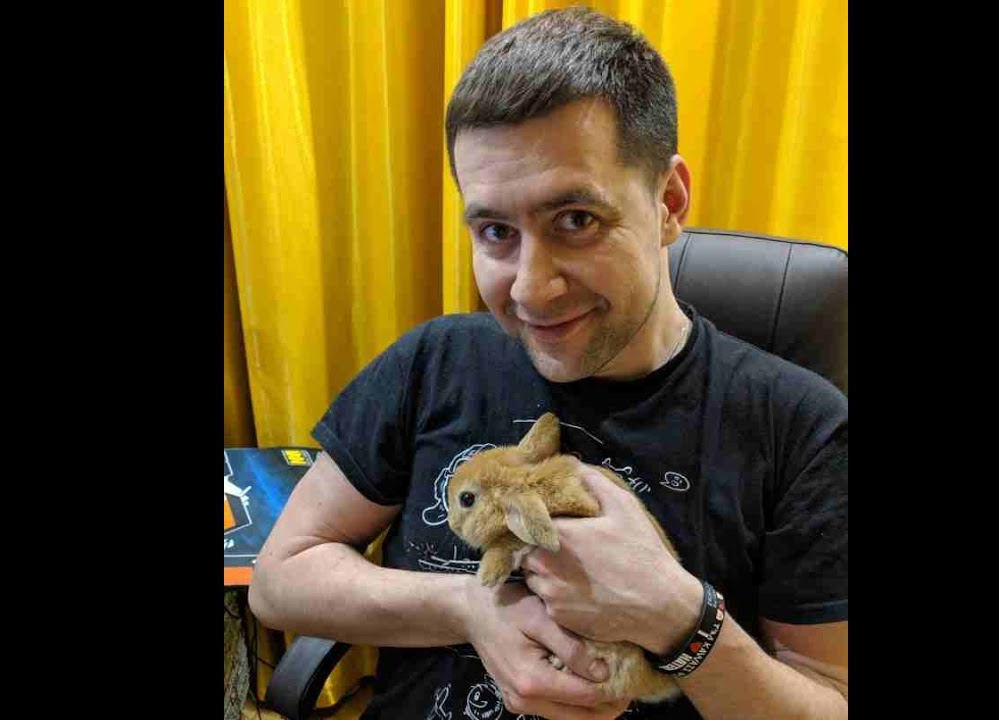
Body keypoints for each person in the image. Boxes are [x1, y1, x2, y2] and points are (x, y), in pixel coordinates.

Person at [249, 7, 847, 719]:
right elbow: (280, 580)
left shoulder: (799, 428)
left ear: (668, 202)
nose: (531, 289)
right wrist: (471, 609)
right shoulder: (435, 361)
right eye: (496, 231)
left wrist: (680, 621)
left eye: (576, 220)